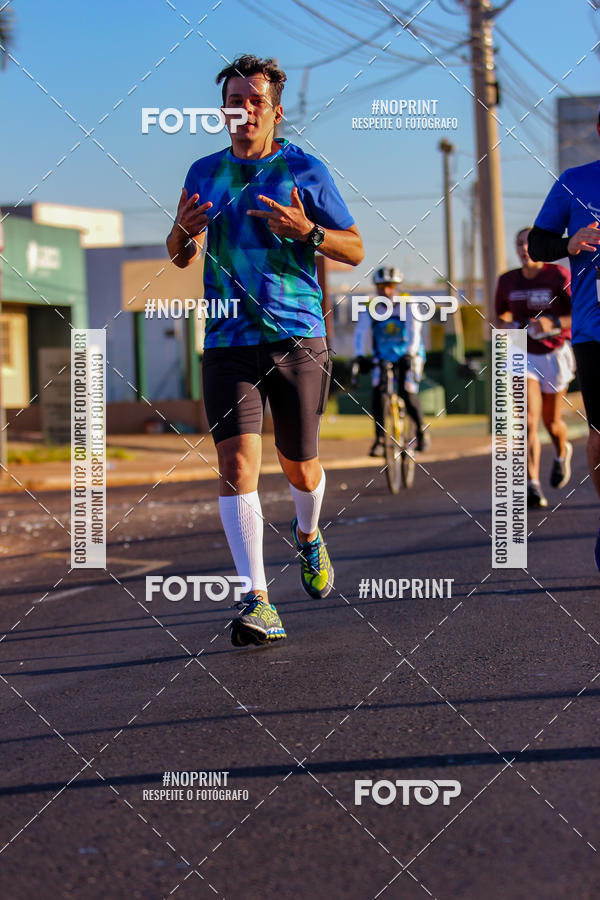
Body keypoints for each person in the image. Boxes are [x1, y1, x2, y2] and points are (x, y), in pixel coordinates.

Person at [166, 55, 364, 645]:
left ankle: (308, 534)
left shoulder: (304, 168)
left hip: (296, 335)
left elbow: (353, 249)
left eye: (255, 100)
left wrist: (309, 232)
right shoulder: (203, 172)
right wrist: (181, 233)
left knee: (300, 467)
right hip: (227, 338)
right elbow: (179, 255)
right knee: (234, 466)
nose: (245, 110)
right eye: (235, 100)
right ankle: (257, 600)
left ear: (276, 111)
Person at [529, 104, 600, 566]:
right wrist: (569, 244)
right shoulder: (576, 180)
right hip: (596, 331)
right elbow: (538, 242)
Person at [495, 228, 574, 509]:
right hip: (522, 353)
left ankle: (562, 451)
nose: (524, 248)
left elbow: (577, 313)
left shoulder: (558, 276)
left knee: (552, 424)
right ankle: (532, 484)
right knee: (527, 420)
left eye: (529, 243)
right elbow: (500, 314)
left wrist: (552, 323)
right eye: (519, 243)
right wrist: (504, 326)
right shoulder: (507, 281)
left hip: (554, 354)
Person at [354, 266, 429, 457]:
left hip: (409, 354)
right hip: (384, 356)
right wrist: (360, 355)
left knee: (407, 390)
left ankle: (421, 431)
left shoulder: (408, 304)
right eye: (381, 286)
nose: (385, 291)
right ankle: (379, 439)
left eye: (389, 286)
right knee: (378, 392)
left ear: (396, 286)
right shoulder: (371, 307)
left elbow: (415, 330)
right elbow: (361, 332)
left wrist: (409, 354)